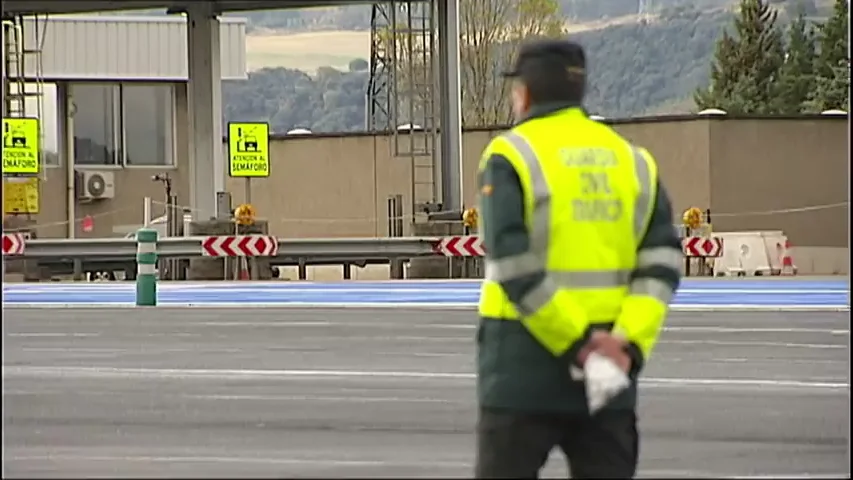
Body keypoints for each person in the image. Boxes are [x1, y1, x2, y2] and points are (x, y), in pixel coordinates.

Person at [474, 38, 683, 479]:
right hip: (610, 377)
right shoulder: (633, 161)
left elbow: (511, 262)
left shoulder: (512, 154)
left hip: (522, 372)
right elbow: (662, 262)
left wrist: (579, 345)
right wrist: (625, 347)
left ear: (524, 93)